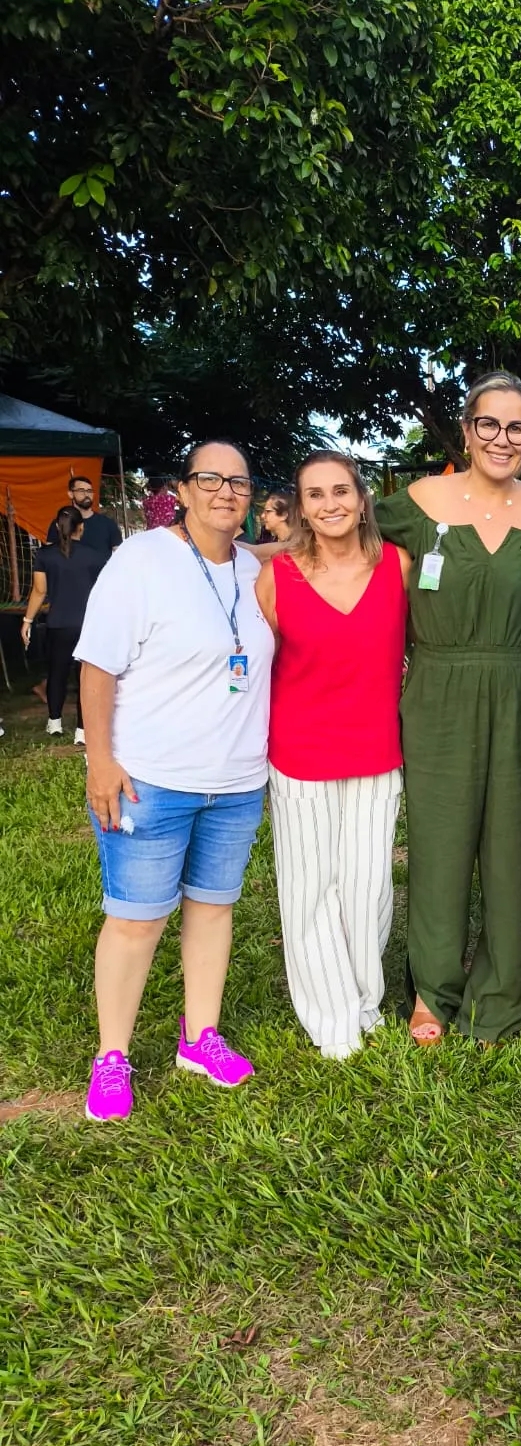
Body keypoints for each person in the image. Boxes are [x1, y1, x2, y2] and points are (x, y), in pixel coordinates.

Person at [75, 440, 273, 1121]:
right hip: (151, 778)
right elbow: (98, 666)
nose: (225, 492)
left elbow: (294, 552)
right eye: (209, 479)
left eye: (238, 482)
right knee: (136, 920)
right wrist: (101, 760)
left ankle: (200, 1038)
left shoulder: (252, 568)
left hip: (237, 780)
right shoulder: (141, 560)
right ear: (182, 491)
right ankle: (112, 1055)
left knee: (212, 909)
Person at [374, 372, 521, 1045]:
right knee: (440, 844)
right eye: (489, 424)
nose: (502, 439)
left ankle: (503, 990)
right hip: (438, 694)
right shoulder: (418, 502)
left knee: (514, 845)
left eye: (516, 426)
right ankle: (432, 991)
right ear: (466, 428)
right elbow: (336, 542)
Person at [257, 452, 409, 1059]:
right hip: (300, 751)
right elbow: (255, 663)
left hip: (377, 749)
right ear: (300, 507)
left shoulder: (397, 565)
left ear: (362, 498)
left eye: (341, 490)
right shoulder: (278, 576)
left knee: (368, 887)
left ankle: (365, 1001)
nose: (330, 504)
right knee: (310, 887)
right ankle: (331, 1017)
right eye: (315, 494)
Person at [21, 506, 103, 743]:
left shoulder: (45, 555)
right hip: (87, 626)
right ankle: (82, 731)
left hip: (57, 624)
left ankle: (54, 722)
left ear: (57, 527)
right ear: (81, 528)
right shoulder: (95, 556)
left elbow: (39, 591)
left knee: (56, 674)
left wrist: (27, 620)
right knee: (84, 678)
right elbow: (104, 591)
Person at [46, 475, 123, 563]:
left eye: (89, 491)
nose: (86, 494)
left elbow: (120, 555)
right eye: (81, 490)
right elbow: (49, 557)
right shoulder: (60, 523)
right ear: (70, 494)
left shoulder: (108, 524)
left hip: (102, 572)